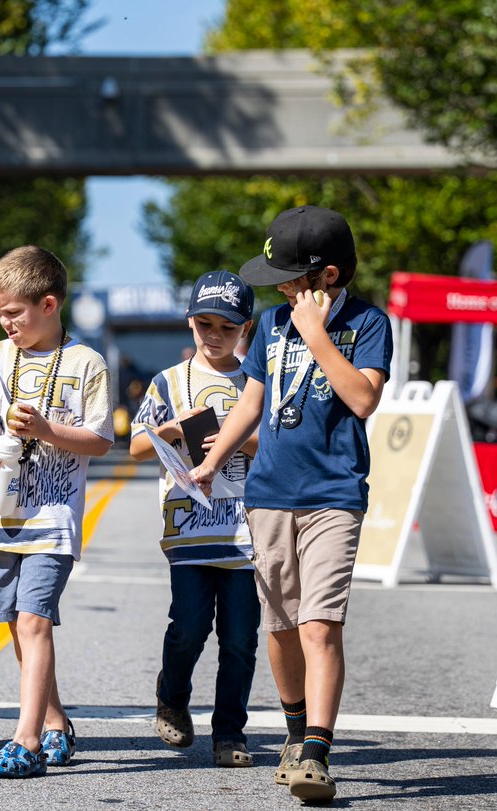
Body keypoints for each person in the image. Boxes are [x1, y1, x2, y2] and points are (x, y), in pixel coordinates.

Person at [189, 207, 392, 802]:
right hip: (269, 493)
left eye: (290, 277)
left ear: (327, 276)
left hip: (334, 494)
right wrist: (209, 461)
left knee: (319, 624)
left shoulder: (369, 323)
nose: (279, 288)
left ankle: (317, 754)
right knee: (279, 626)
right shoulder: (272, 323)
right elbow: (250, 405)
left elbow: (362, 400)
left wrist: (317, 335)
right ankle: (295, 730)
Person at [0, 245, 114, 778]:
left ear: (48, 304)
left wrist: (46, 430)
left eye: (14, 313)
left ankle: (25, 740)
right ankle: (54, 723)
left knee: (34, 620)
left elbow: (100, 439)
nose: (4, 324)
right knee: (13, 622)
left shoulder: (85, 363)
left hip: (53, 515)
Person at [129, 270, 261, 768]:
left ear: (244, 329)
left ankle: (230, 732)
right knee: (187, 625)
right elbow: (138, 447)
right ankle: (172, 695)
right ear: (189, 322)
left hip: (246, 529)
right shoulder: (170, 380)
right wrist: (174, 429)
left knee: (241, 638)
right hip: (189, 527)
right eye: (204, 323)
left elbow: (270, 447)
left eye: (226, 327)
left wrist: (234, 436)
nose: (214, 335)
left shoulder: (256, 382)